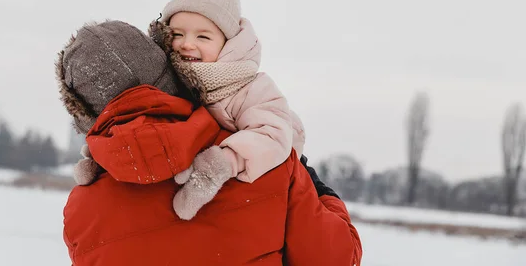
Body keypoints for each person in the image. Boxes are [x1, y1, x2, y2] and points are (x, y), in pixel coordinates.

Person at [58, 20, 362, 265]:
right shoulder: (257, 161)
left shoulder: (81, 210)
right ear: (168, 69)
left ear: (87, 113)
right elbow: (337, 259)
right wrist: (312, 181)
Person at [157, 0, 306, 219]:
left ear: (228, 44)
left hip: (253, 185)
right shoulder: (164, 80)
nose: (187, 44)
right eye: (177, 34)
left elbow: (271, 135)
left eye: (203, 37)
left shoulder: (251, 88)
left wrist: (220, 164)